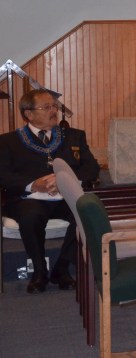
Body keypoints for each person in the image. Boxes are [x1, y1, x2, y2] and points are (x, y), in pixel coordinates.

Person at [0, 89, 99, 293]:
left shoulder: (74, 136)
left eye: (54, 106)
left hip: (65, 197)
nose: (53, 111)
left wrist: (65, 179)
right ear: (29, 114)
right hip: (29, 199)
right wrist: (33, 184)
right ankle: (39, 271)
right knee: (31, 217)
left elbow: (92, 168)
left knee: (87, 213)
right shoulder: (8, 141)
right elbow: (3, 175)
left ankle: (61, 267)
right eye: (46, 107)